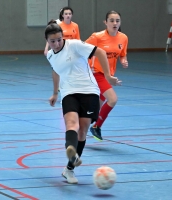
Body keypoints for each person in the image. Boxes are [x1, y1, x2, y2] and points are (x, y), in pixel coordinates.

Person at [45, 20, 120, 184]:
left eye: (59, 39)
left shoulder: (74, 45)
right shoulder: (50, 55)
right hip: (68, 93)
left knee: (82, 131)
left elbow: (99, 52)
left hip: (89, 91)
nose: (57, 43)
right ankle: (71, 152)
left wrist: (107, 76)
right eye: (52, 41)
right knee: (72, 123)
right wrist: (54, 93)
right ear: (47, 41)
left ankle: (69, 169)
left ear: (62, 37)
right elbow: (56, 72)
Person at [85, 10, 128, 141]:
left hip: (109, 74)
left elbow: (122, 53)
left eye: (117, 21)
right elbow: (82, 50)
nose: (115, 23)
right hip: (96, 72)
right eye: (112, 20)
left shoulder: (123, 38)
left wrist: (123, 60)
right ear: (106, 22)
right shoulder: (97, 37)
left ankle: (81, 124)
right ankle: (96, 126)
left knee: (97, 105)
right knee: (113, 99)